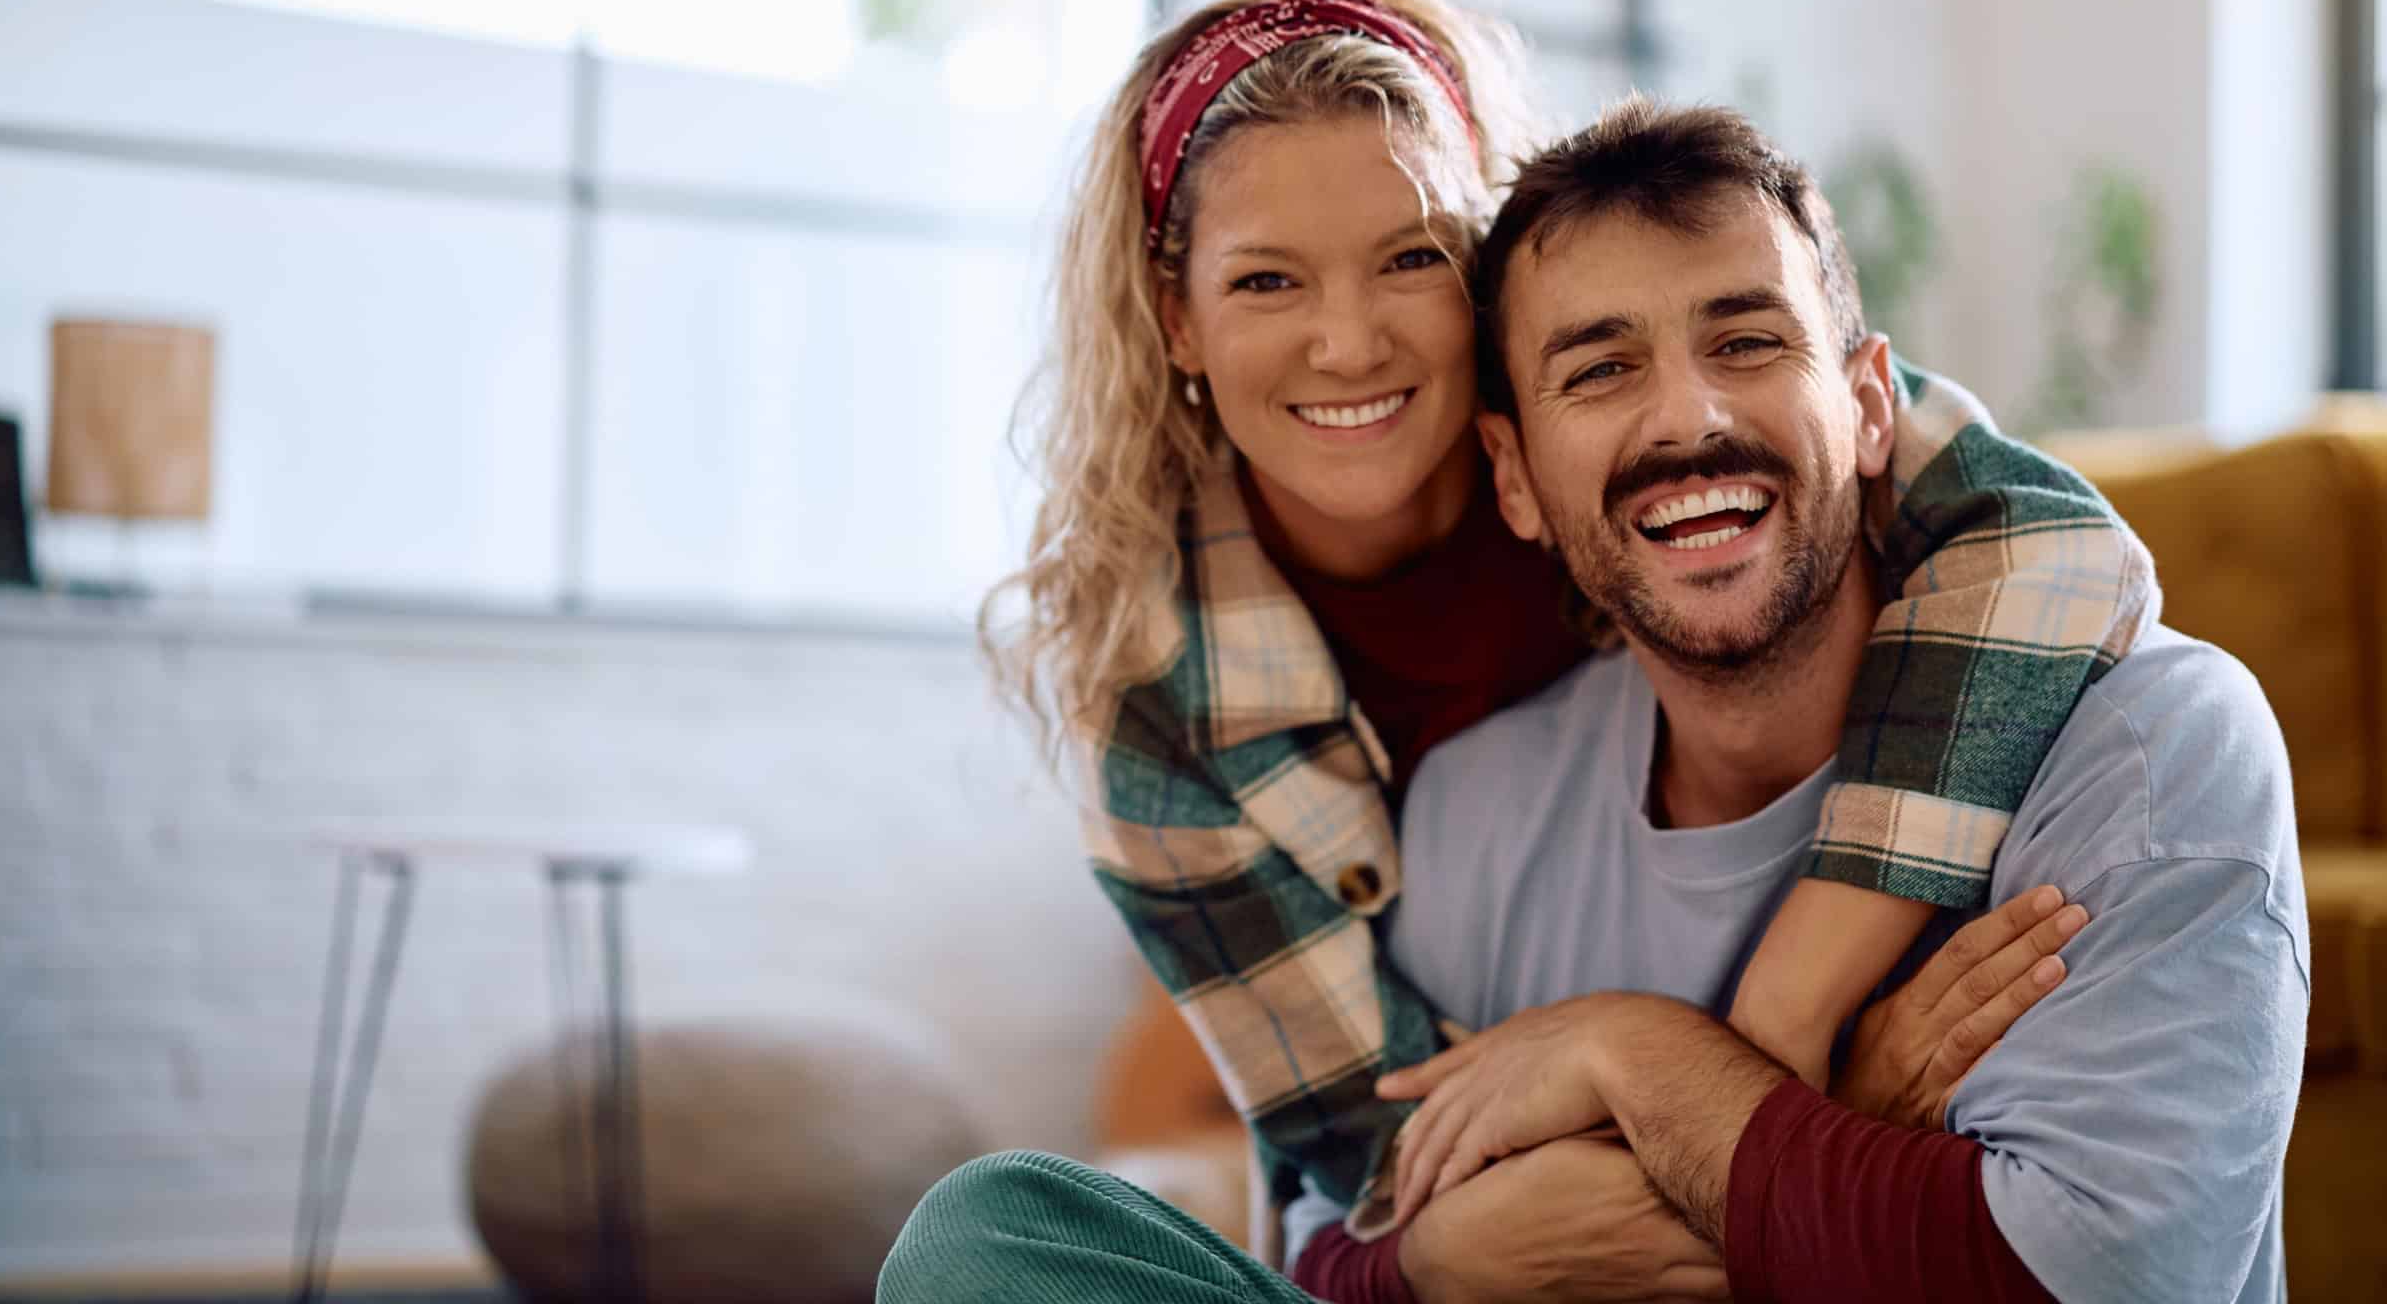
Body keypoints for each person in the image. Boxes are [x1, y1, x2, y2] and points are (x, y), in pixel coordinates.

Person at [888, 99, 2307, 1304]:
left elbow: (2087, 1281)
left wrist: (1642, 1056)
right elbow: (1342, 1244)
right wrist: (1824, 1125)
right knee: (992, 1237)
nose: (1687, 418)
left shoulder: (2149, 752)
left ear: (1874, 407)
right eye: (1602, 368)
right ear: (1513, 477)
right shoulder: (1473, 795)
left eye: (1749, 342)